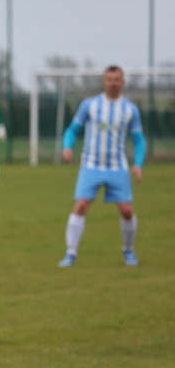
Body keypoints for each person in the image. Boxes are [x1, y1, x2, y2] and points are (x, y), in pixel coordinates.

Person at [58, 65, 144, 268]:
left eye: (116, 79)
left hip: (118, 166)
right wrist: (67, 147)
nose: (112, 83)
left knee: (126, 211)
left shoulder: (130, 110)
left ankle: (128, 250)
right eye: (109, 79)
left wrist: (138, 164)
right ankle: (70, 253)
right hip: (90, 165)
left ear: (122, 83)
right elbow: (72, 130)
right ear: (103, 82)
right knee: (80, 205)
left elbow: (139, 140)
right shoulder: (90, 105)